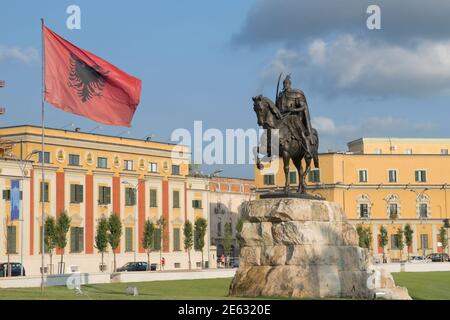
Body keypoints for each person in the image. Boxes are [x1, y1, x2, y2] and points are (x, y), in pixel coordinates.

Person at [276, 75, 313, 155]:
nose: (285, 85)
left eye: (287, 83)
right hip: (282, 117)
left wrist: (294, 109)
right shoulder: (280, 96)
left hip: (292, 117)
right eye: (284, 83)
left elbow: (303, 107)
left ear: (290, 84)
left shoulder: (296, 94)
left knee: (300, 131)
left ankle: (307, 149)